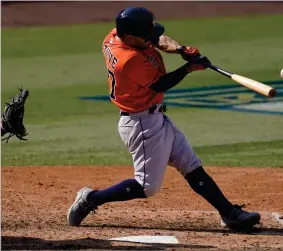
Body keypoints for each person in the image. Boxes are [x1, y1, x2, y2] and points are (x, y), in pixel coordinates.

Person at [67, 7, 261, 230]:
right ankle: (91, 199)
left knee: (191, 166)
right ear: (130, 37)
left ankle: (230, 213)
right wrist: (189, 67)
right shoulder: (128, 60)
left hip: (154, 117)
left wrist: (181, 49)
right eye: (145, 35)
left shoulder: (116, 35)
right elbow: (161, 84)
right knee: (147, 187)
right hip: (142, 124)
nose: (151, 38)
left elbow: (158, 39)